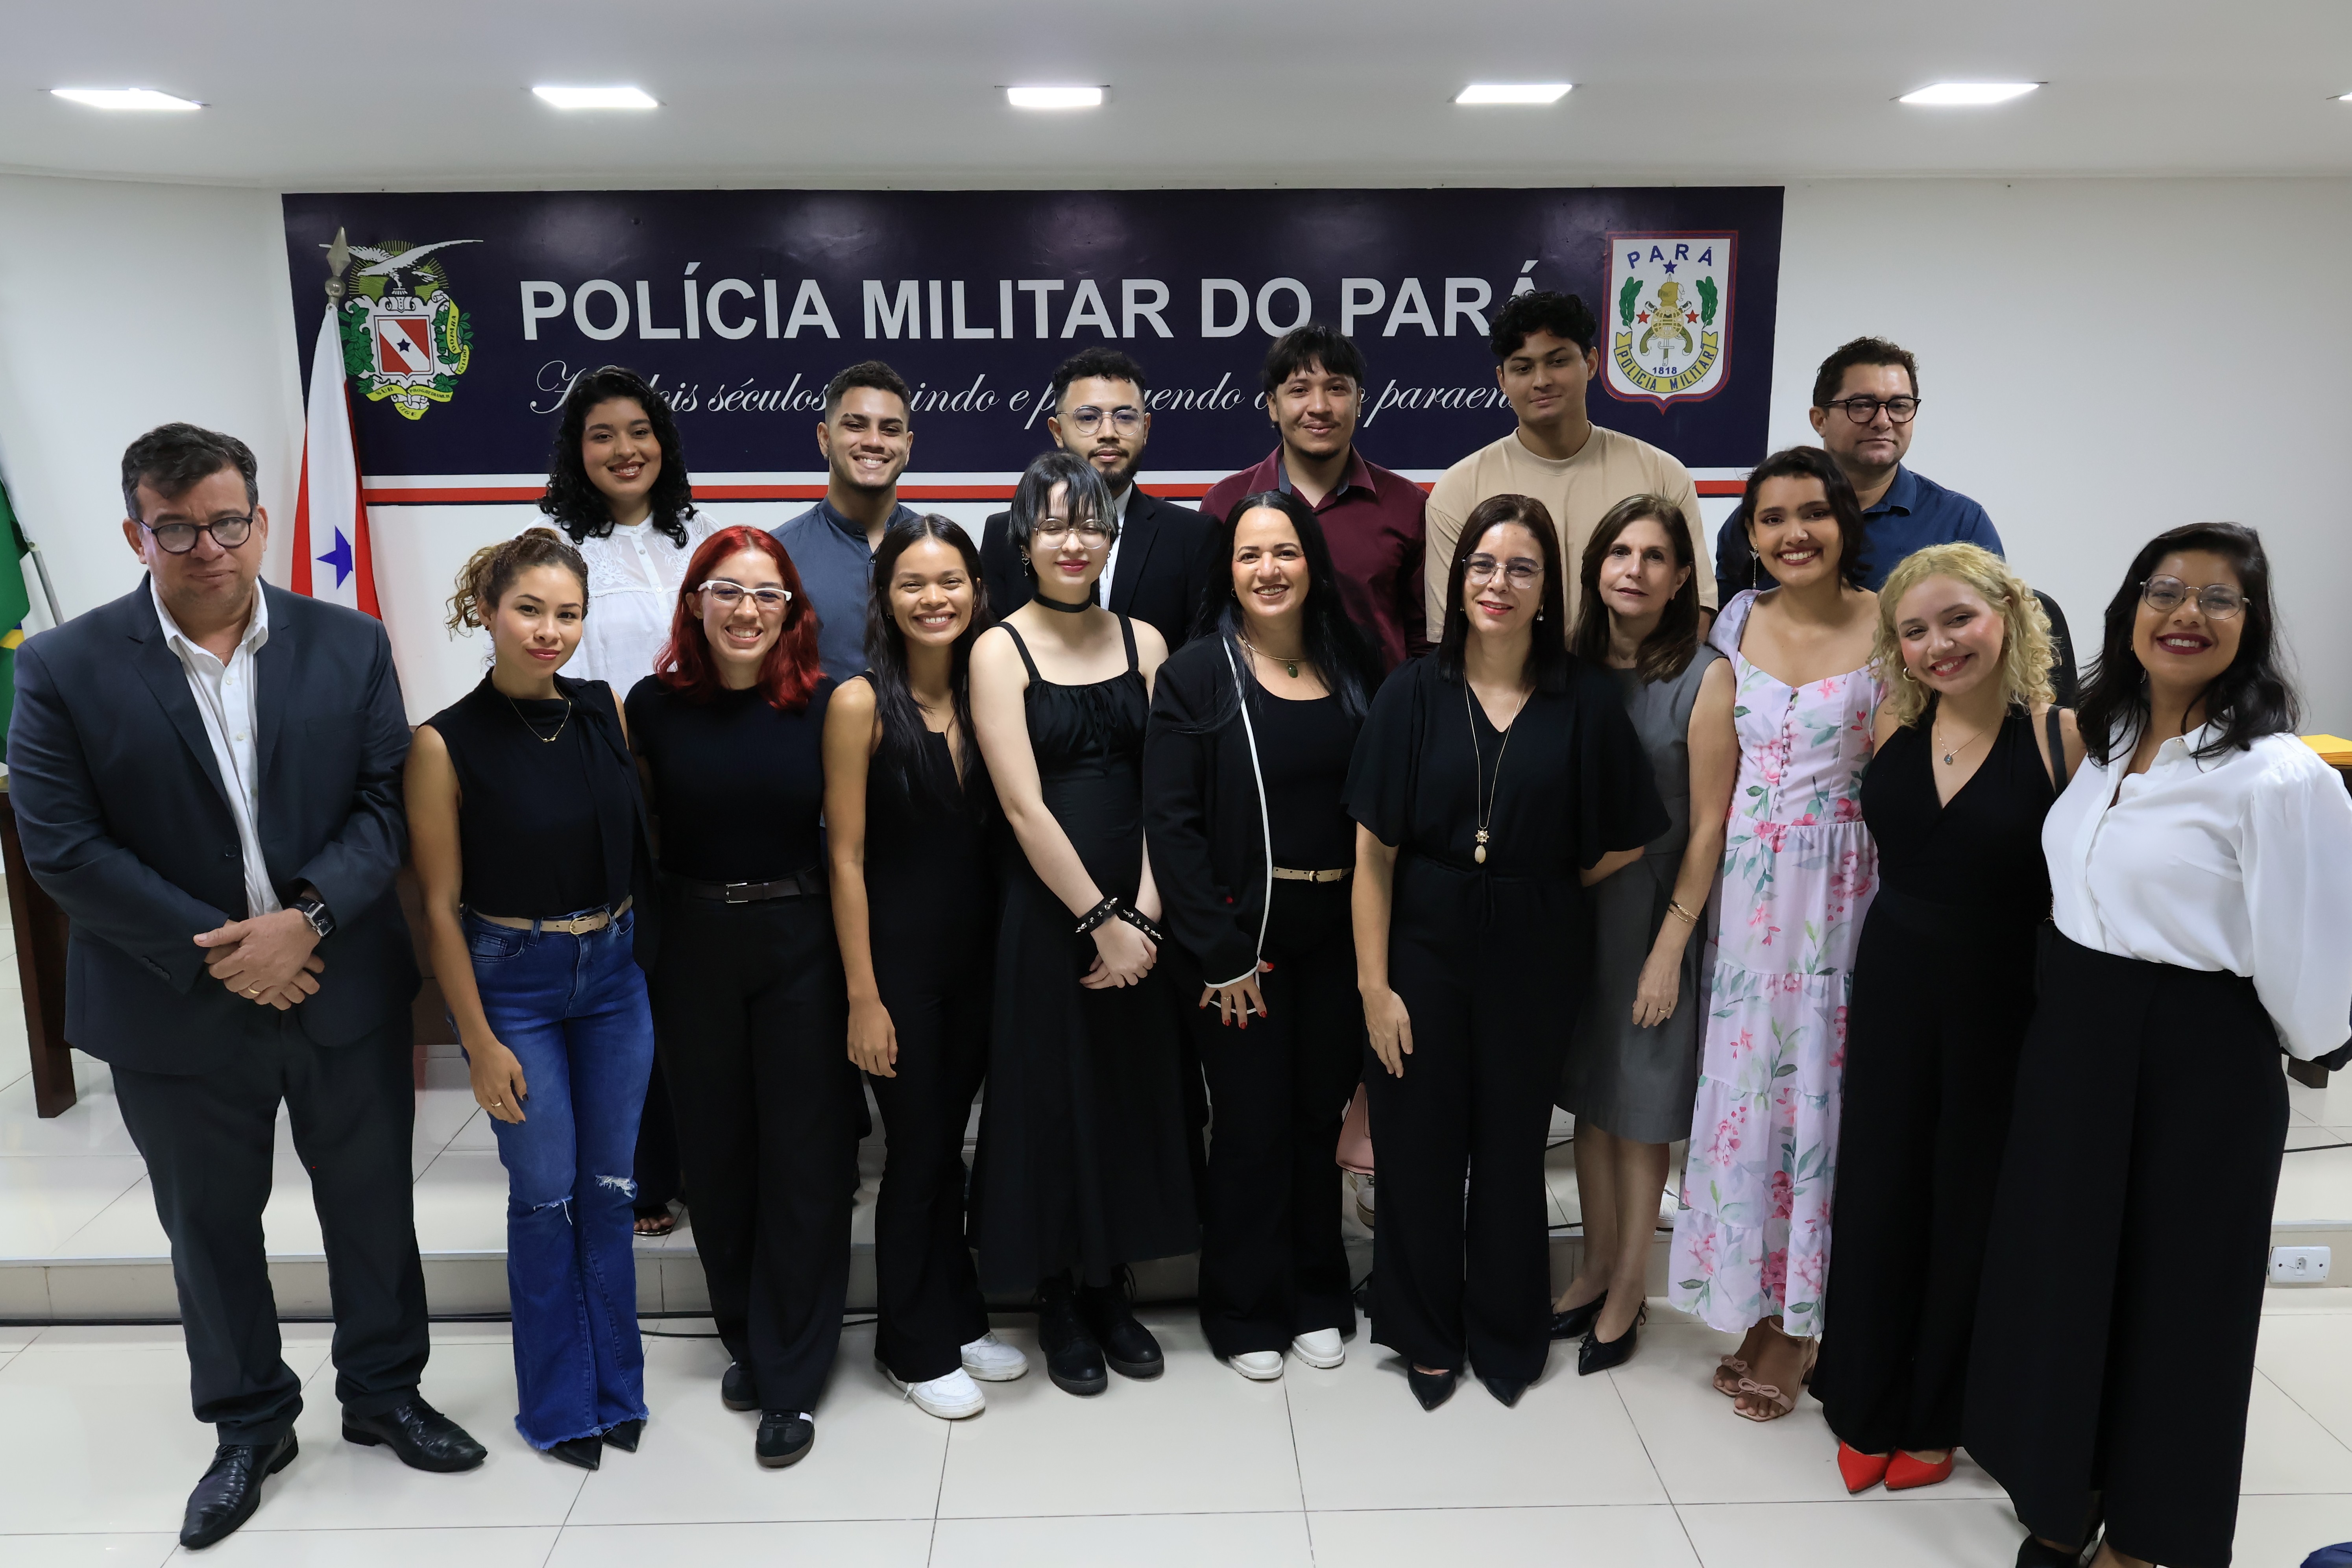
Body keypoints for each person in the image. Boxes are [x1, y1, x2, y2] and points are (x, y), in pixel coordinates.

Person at [7, 423, 484, 1549]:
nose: (207, 546)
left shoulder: (349, 643)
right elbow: (62, 847)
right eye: (176, 528)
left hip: (339, 983)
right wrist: (234, 948)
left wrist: (304, 922)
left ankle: (383, 1394)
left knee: (371, 1207)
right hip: (171, 1005)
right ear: (139, 533)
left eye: (227, 521)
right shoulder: (63, 667)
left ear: (260, 521)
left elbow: (381, 807)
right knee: (208, 1226)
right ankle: (249, 1422)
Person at [1968, 524, 2352, 1568]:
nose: (2186, 614)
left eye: (2218, 599)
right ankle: (2064, 1492)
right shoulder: (2104, 737)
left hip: (2198, 1057)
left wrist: (2263, 1049)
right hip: (2076, 1037)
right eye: (2165, 591)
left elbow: (2317, 977)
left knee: (2179, 1305)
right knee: (2063, 1276)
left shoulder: (2278, 779)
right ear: (2130, 610)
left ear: (2252, 625)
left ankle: (2145, 1540)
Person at [1347, 493, 1665, 1412]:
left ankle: (1502, 1327)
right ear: (1457, 581)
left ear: (1545, 590)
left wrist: (1544, 873)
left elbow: (1632, 837)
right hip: (1422, 944)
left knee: (1509, 1145)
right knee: (1417, 1146)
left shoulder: (1583, 698)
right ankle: (1421, 1329)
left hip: (1536, 945)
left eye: (1519, 568)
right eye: (1482, 566)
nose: (1497, 583)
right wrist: (1374, 987)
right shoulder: (1412, 691)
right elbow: (1372, 853)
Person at [1811, 543, 2080, 1497]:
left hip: (2001, 997)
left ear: (2006, 613)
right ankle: (1859, 1396)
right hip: (1889, 981)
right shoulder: (1896, 721)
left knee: (1965, 1201)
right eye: (1914, 630)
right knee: (1879, 1188)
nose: (1937, 645)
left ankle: (1934, 1413)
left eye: (1955, 619)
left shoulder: (2063, 738)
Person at [407, 531, 656, 1471]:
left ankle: (617, 1390)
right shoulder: (444, 742)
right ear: (487, 610)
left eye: (567, 614)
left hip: (615, 977)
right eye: (530, 610)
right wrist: (473, 1040)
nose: (550, 631)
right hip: (513, 983)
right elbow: (437, 906)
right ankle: (558, 1405)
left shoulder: (602, 710)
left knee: (608, 1191)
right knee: (544, 1193)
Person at [966, 449, 1198, 1396]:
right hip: (1046, 907)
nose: (1073, 540)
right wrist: (1100, 918)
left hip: (1144, 909)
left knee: (1127, 1096)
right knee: (1050, 1100)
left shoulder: (1146, 640)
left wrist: (1142, 913)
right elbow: (1021, 806)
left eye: (1089, 523)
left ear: (1110, 536)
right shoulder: (996, 647)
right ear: (1023, 538)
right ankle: (1058, 1295)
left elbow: (1166, 787)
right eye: (1054, 523)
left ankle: (1113, 1287)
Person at [627, 526, 857, 1468]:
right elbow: (641, 837)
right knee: (716, 1157)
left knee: (802, 1159)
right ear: (694, 603)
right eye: (726, 591)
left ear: (792, 612)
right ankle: (747, 1335)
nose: (746, 609)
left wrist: (865, 987)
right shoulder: (649, 706)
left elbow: (845, 852)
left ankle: (791, 1374)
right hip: (690, 946)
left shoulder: (827, 702)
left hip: (799, 940)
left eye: (767, 594)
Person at [1143, 490, 1386, 1381]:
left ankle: (1316, 1292)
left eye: (1283, 551)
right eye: (1248, 556)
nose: (1267, 570)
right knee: (1248, 1127)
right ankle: (1243, 1307)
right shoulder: (1197, 674)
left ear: (1312, 563)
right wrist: (1220, 952)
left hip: (1334, 936)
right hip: (1239, 948)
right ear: (1229, 572)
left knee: (1313, 1121)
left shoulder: (1356, 664)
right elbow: (1169, 825)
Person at [1665, 446, 1882, 1422]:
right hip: (1750, 904)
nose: (1792, 532)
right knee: (1753, 1103)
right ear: (1747, 534)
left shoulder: (1890, 626)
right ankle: (1758, 1302)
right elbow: (1709, 807)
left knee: (1822, 1110)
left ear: (1843, 521)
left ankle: (1801, 1324)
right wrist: (1676, 934)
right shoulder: (1736, 623)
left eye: (1812, 513)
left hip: (1843, 892)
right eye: (1770, 518)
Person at [824, 514, 1029, 1419]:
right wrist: (863, 996)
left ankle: (955, 1311)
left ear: (977, 592)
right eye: (912, 582)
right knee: (914, 1154)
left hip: (981, 965)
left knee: (950, 1149)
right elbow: (843, 859)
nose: (932, 597)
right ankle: (909, 1345)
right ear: (885, 597)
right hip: (897, 973)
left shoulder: (994, 695)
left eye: (949, 581)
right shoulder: (859, 704)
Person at [1551, 495, 1735, 1377]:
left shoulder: (1705, 675)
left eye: (1653, 556)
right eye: (1618, 553)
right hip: (1571, 913)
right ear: (1594, 571)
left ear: (1679, 579)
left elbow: (1707, 827)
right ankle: (1589, 1265)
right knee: (1590, 1099)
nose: (1633, 569)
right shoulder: (1570, 669)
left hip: (1656, 911)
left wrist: (1671, 946)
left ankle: (1630, 1288)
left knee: (1641, 1107)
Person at [537, 364, 715, 1239]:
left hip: (711, 783)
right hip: (610, 788)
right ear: (578, 451)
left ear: (663, 442)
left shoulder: (705, 536)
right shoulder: (553, 549)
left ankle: (718, 1153)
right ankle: (649, 1174)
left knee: (704, 976)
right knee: (632, 980)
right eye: (601, 434)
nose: (623, 449)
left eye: (638, 432)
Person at [1425, 290, 1718, 638]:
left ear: (1591, 363)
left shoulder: (1662, 474)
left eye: (1557, 361)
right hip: (1510, 690)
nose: (1541, 381)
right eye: (1523, 367)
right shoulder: (1459, 488)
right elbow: (1450, 631)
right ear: (1502, 380)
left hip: (1638, 686)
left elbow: (1694, 610)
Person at [1200, 324, 1429, 673]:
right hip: (1260, 712)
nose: (1319, 407)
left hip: (1381, 716)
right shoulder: (1225, 503)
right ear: (1272, 406)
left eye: (1336, 388)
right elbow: (1211, 625)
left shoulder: (1407, 506)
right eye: (1299, 390)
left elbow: (1425, 641)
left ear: (1359, 401)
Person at [981, 347, 1216, 650]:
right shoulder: (1005, 533)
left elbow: (1203, 659)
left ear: (1145, 429)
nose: (1108, 433)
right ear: (1057, 430)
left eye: (1125, 417)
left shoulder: (1193, 536)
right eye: (1088, 417)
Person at [772, 360, 920, 680]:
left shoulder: (940, 550)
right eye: (855, 425)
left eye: (890, 429)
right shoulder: (777, 556)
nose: (874, 441)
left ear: (907, 447)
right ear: (824, 438)